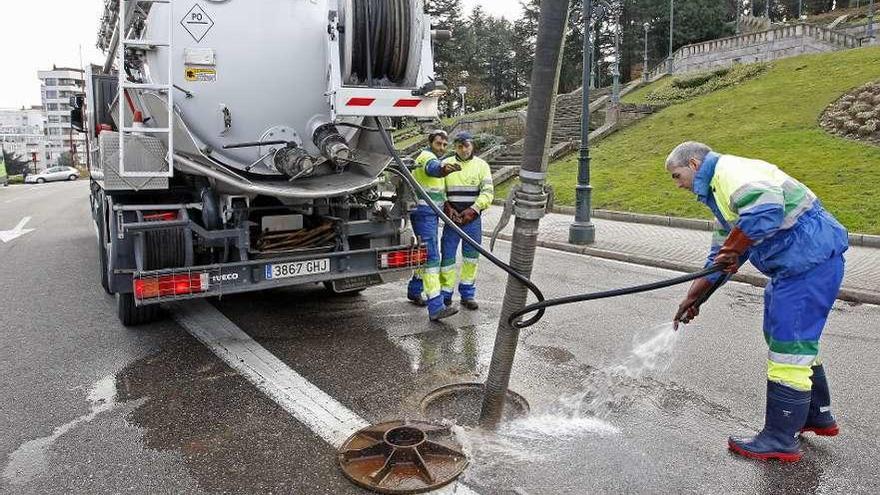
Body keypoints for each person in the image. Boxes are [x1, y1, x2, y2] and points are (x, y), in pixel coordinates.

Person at [667, 142, 848, 463]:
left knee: (789, 348)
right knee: (789, 339)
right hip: (799, 266)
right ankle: (815, 414)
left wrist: (733, 249)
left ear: (694, 164)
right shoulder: (722, 193)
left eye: (676, 175)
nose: (677, 184)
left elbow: (765, 211)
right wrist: (694, 299)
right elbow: (719, 259)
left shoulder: (731, 173)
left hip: (808, 263)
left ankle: (779, 438)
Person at [407, 130, 461, 321]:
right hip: (424, 214)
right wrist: (445, 169)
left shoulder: (428, 156)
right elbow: (434, 168)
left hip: (429, 214)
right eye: (439, 144)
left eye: (445, 145)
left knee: (425, 254)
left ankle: (414, 290)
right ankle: (436, 307)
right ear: (430, 143)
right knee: (432, 257)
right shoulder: (427, 157)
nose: (442, 148)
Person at [439, 132, 494, 310]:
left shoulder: (481, 166)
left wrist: (474, 210)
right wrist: (447, 207)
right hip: (452, 219)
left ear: (472, 146)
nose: (463, 150)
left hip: (472, 219)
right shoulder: (446, 164)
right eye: (460, 146)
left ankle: (467, 295)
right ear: (455, 147)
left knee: (471, 258)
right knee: (447, 257)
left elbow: (488, 192)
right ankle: (445, 294)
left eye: (467, 146)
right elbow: (439, 190)